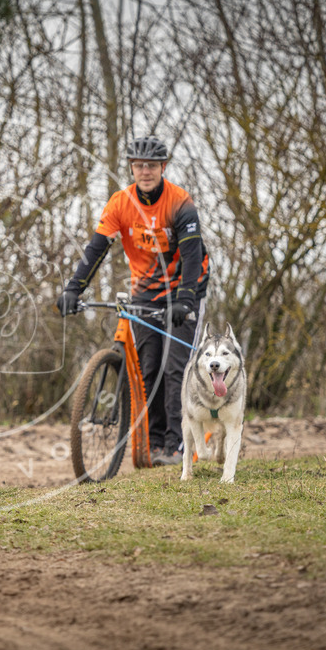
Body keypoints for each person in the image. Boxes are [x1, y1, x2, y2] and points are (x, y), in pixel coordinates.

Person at [57, 136, 209, 466]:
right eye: (139, 166)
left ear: (163, 168)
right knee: (148, 368)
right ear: (131, 168)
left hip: (185, 290)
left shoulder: (180, 202)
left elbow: (192, 254)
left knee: (175, 368)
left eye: (152, 166)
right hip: (146, 292)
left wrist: (185, 299)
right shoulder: (120, 203)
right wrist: (73, 289)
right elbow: (96, 250)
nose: (145, 171)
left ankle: (177, 444)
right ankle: (155, 445)